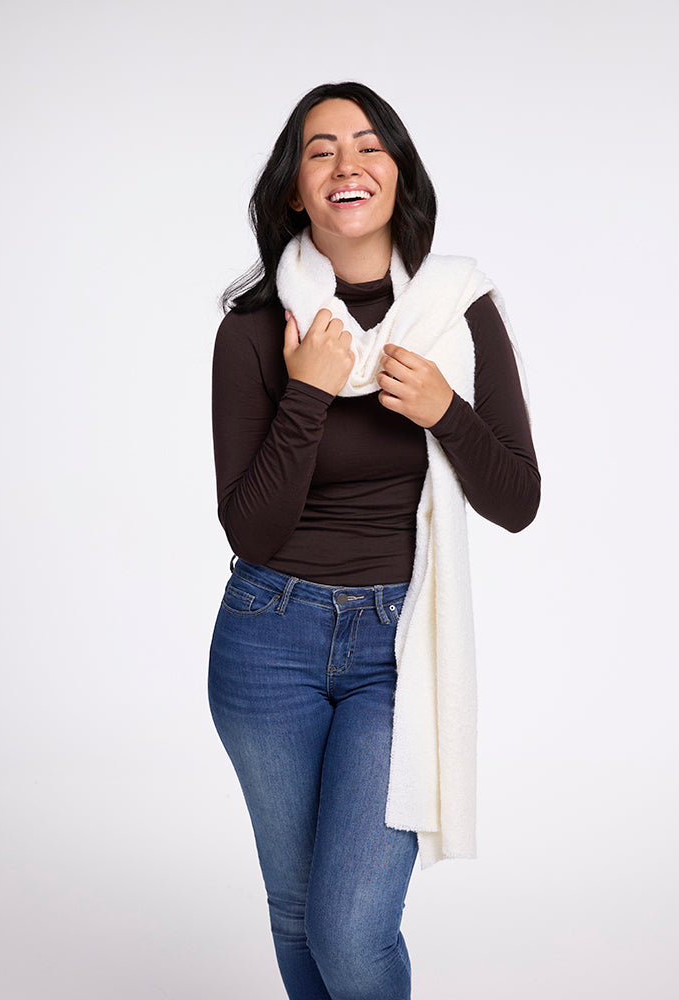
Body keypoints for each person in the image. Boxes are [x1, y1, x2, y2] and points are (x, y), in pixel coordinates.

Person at [208, 81, 540, 1000]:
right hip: (267, 638)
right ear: (294, 190)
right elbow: (253, 528)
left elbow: (517, 500)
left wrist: (447, 412)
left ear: (398, 172)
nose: (347, 165)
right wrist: (309, 391)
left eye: (369, 146)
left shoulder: (457, 309)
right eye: (320, 151)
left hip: (400, 646)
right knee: (297, 913)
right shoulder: (254, 331)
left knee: (352, 930)